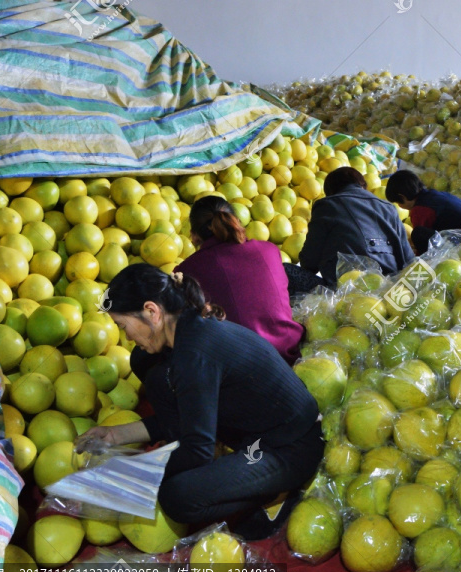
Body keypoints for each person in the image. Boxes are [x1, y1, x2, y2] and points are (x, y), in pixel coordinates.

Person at [75, 264, 323, 540]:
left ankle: (272, 494)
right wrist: (114, 435)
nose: (127, 337)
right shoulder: (188, 327)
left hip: (287, 447)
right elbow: (190, 412)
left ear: (151, 311)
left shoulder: (194, 355)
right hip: (253, 430)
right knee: (145, 363)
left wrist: (132, 476)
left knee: (177, 497)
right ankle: (241, 474)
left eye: (123, 326)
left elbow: (197, 452)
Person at [177, 195, 303, 364]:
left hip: (246, 367)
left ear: (193, 236)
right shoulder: (270, 249)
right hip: (292, 352)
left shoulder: (186, 272)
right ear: (236, 221)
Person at [295, 167, 414, 290]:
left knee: (286, 270)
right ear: (363, 185)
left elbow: (309, 262)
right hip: (388, 291)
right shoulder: (390, 209)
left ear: (331, 192)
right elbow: (408, 261)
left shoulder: (327, 205)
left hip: (347, 293)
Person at [385, 169, 461, 254]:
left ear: (403, 197)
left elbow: (422, 240)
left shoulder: (420, 211)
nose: (399, 206)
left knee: (418, 234)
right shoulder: (435, 195)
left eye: (398, 202)